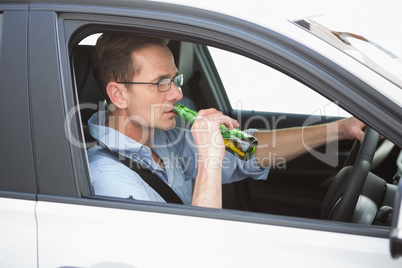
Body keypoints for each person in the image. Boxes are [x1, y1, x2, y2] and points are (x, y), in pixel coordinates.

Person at [87, 33, 365, 209]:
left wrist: (341, 129)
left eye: (175, 79)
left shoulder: (163, 139)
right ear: (119, 95)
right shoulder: (108, 180)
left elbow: (248, 153)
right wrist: (210, 158)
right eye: (161, 83)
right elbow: (194, 251)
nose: (177, 93)